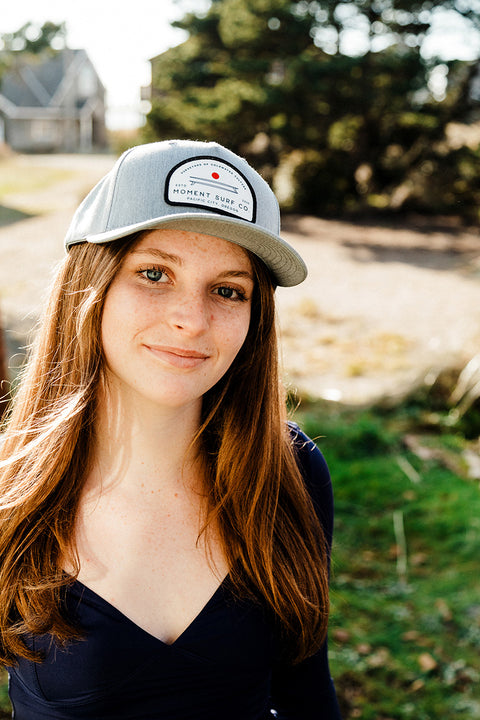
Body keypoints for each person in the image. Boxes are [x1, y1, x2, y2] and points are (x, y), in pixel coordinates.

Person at [0, 140, 342, 719]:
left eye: (228, 289)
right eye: (155, 273)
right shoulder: (13, 490)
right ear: (92, 283)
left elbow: (307, 692)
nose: (191, 318)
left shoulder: (288, 468)